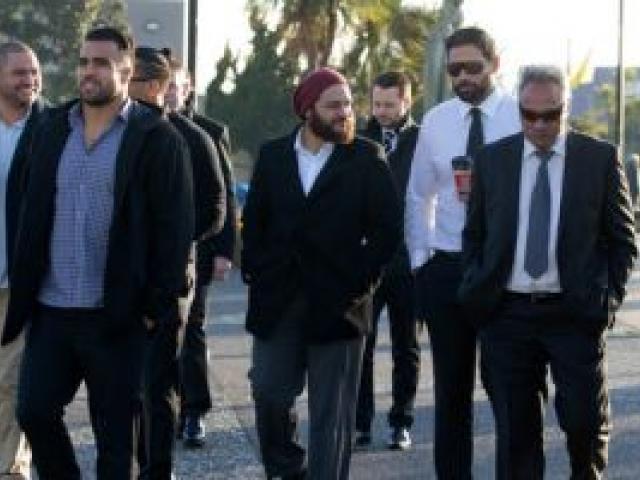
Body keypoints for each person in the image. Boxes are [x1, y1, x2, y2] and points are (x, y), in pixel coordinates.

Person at [1, 26, 195, 479]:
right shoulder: (50, 130)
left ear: (126, 71)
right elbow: (25, 208)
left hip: (117, 317)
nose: (89, 72)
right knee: (33, 411)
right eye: (84, 62)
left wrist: (152, 309)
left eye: (101, 63)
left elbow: (175, 231)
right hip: (52, 312)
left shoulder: (157, 139)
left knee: (114, 442)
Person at [459, 64, 638, 479]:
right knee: (516, 437)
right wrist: (478, 290)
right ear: (519, 110)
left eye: (550, 114)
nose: (539, 124)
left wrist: (605, 301)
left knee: (584, 424)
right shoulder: (492, 160)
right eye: (529, 114)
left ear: (567, 109)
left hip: (574, 315)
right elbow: (475, 235)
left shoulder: (598, 159)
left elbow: (623, 240)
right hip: (507, 316)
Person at [242, 67, 401, 480]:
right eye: (334, 105)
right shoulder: (273, 155)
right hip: (278, 302)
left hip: (340, 305)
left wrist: (361, 282)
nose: (344, 112)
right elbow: (254, 224)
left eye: (348, 104)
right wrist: (259, 273)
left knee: (332, 417)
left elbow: (387, 231)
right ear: (307, 109)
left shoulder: (367, 157)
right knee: (269, 392)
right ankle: (288, 467)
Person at [405, 26, 520, 477]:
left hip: (507, 274)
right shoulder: (436, 121)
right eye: (455, 70)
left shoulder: (521, 115)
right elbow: (419, 195)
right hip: (448, 267)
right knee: (451, 397)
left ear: (495, 63)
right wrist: (422, 260)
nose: (464, 77)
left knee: (509, 392)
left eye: (473, 67)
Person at [128, 47, 225, 478]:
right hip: (119, 279)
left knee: (156, 383)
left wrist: (174, 241)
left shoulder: (191, 138)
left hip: (169, 279)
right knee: (122, 385)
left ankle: (157, 469)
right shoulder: (111, 131)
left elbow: (215, 209)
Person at [163, 59, 238, 447]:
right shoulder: (142, 127)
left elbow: (224, 193)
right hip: (156, 252)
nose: (172, 91)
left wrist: (226, 250)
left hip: (201, 248)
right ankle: (164, 406)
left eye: (177, 85)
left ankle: (194, 412)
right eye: (166, 85)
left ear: (188, 87)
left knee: (192, 329)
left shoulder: (209, 132)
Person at [355, 71, 420, 450]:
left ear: (406, 103)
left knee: (405, 345)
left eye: (389, 105)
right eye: (376, 104)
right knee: (362, 341)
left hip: (410, 260)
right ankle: (361, 421)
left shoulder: (423, 140)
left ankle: (402, 420)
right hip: (368, 259)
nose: (380, 111)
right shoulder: (357, 138)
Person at [0, 39, 45, 480]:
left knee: (16, 385)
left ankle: (12, 471)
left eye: (33, 71)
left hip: (23, 284)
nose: (29, 80)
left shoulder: (52, 128)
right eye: (19, 72)